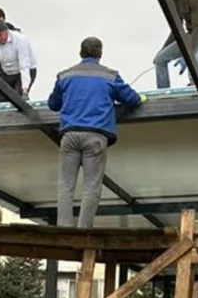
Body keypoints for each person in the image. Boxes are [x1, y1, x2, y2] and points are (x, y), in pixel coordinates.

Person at [47, 37, 145, 229]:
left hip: (69, 135)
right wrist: (139, 99)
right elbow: (131, 99)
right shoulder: (110, 76)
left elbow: (53, 105)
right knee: (91, 186)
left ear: (80, 52)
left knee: (66, 185)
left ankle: (64, 228)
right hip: (95, 136)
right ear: (100, 54)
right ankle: (84, 230)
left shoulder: (65, 75)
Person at [0, 19, 38, 103]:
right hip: (7, 73)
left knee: (17, 100)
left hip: (25, 71)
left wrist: (25, 91)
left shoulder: (20, 40)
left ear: (6, 31)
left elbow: (24, 66)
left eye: (0, 35)